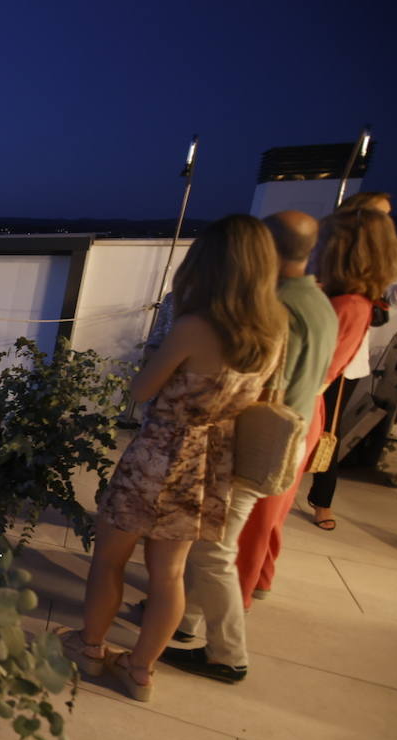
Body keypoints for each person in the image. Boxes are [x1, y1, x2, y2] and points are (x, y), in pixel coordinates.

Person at [56, 215, 284, 701]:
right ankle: (140, 671)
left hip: (159, 456)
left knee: (109, 562)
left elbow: (141, 391)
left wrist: (156, 347)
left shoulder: (194, 326)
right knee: (171, 574)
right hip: (209, 464)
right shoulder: (274, 329)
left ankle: (90, 648)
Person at [161, 211, 336, 682]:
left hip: (250, 445)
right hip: (286, 438)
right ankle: (186, 621)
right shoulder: (319, 302)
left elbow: (251, 387)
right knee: (211, 545)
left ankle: (228, 654)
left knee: (213, 551)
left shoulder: (274, 308)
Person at [234, 207, 397, 605]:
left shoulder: (339, 303)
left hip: (290, 410)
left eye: (327, 240)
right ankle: (260, 576)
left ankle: (228, 606)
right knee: (273, 510)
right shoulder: (355, 301)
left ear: (343, 248)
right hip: (307, 410)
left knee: (258, 514)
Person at [306, 191, 397, 530]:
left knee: (328, 432)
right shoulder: (328, 246)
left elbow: (391, 303)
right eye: (381, 214)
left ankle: (321, 500)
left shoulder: (381, 258)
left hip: (343, 360)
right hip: (312, 352)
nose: (387, 222)